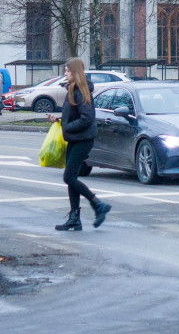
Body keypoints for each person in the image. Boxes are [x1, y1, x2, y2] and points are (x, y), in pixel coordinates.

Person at [47, 57, 111, 231]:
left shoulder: (81, 91)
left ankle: (98, 205)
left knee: (69, 177)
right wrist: (60, 120)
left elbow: (87, 118)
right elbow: (76, 116)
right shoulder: (73, 89)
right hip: (76, 138)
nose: (65, 73)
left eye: (67, 71)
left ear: (75, 72)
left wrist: (67, 126)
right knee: (71, 178)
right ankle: (75, 218)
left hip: (83, 139)